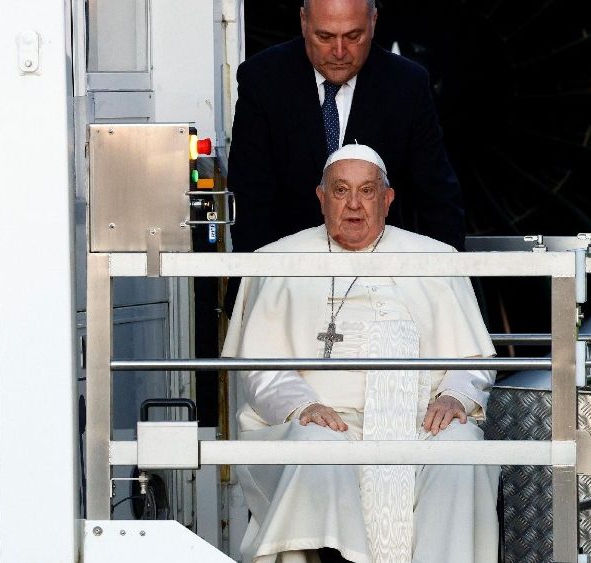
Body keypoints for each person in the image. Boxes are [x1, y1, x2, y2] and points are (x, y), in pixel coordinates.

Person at [223, 144, 497, 563]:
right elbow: (260, 369)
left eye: (367, 191)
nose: (354, 205)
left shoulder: (436, 258)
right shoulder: (278, 260)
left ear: (387, 200)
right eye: (341, 191)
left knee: (460, 445)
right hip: (327, 420)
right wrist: (304, 406)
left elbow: (472, 361)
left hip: (418, 420)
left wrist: (454, 396)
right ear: (321, 198)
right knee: (315, 444)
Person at [226, 0, 465, 255]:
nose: (339, 52)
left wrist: (449, 280)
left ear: (373, 21)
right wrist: (256, 285)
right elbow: (250, 200)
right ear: (303, 21)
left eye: (353, 36)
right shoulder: (263, 80)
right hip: (288, 275)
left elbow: (438, 199)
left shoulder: (407, 85)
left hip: (383, 278)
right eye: (325, 36)